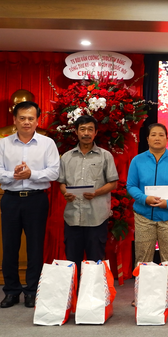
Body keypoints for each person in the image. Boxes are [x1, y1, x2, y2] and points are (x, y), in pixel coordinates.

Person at [0, 101, 60, 308]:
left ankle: (32, 291)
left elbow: (54, 172)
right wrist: (12, 175)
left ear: (37, 120)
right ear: (14, 120)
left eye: (31, 118)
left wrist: (33, 174)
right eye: (22, 118)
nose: (26, 122)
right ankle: (11, 291)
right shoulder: (3, 144)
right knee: (10, 247)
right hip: (11, 200)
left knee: (35, 247)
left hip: (36, 199)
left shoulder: (47, 144)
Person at [127, 123, 168, 307]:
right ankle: (141, 294)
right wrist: (145, 199)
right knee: (143, 257)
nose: (157, 138)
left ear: (167, 138)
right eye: (153, 135)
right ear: (147, 139)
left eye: (161, 135)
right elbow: (131, 186)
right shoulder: (137, 160)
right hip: (144, 215)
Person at [58, 115, 119, 277]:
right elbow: (61, 183)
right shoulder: (67, 157)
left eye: (90, 129)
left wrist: (96, 192)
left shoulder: (105, 156)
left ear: (96, 132)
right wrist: (65, 193)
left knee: (95, 261)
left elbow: (113, 183)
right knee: (72, 261)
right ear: (76, 132)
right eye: (82, 129)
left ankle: (94, 298)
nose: (86, 133)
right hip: (72, 217)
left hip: (96, 217)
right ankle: (74, 297)